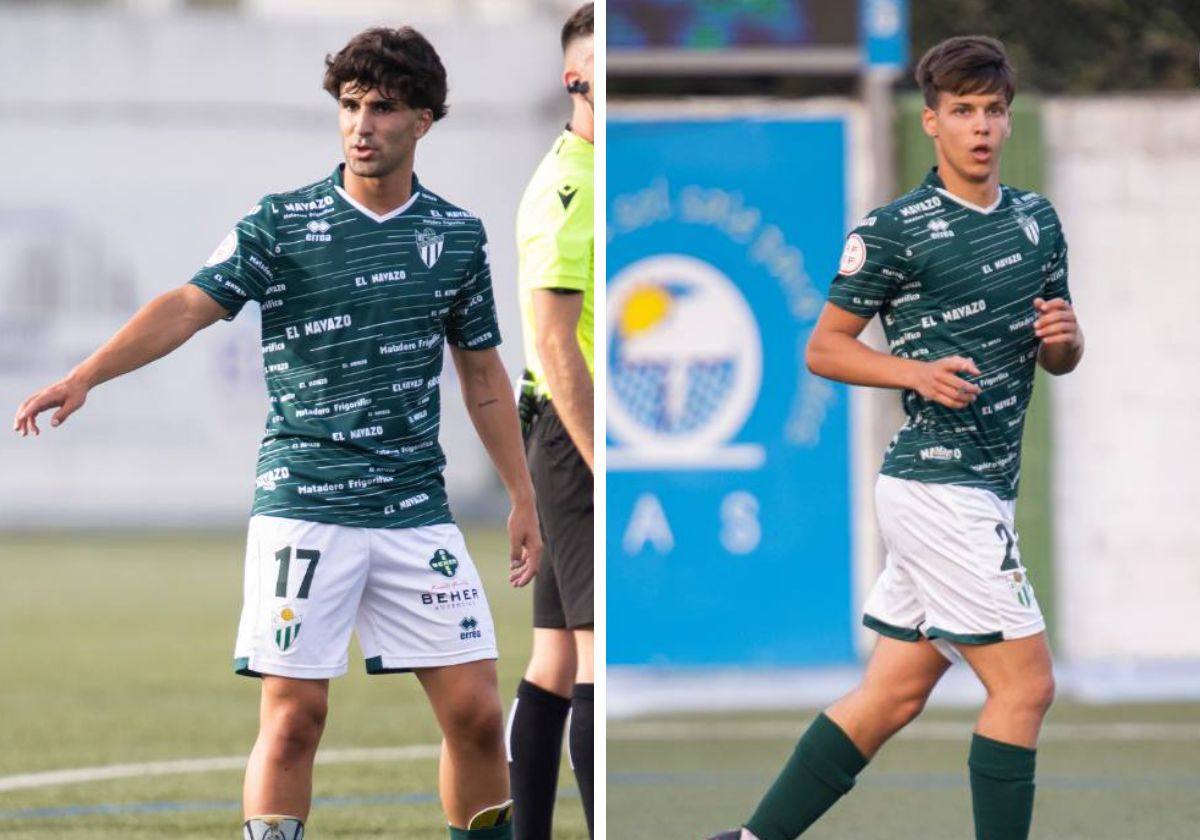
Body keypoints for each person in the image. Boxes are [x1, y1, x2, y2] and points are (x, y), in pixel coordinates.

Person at [13, 26, 541, 840]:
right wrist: (86, 375)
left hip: (413, 509)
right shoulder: (283, 222)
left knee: (475, 713)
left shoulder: (457, 235)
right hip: (305, 501)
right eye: (350, 105)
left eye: (385, 108)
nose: (362, 125)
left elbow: (481, 376)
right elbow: (189, 305)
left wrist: (520, 493)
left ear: (424, 122)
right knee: (295, 718)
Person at [708, 36, 1084, 840]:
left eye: (992, 111)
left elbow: (1060, 354)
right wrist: (913, 372)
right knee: (1026, 687)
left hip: (981, 486)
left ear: (1008, 121)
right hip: (936, 487)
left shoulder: (1037, 221)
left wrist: (1065, 336)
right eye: (962, 112)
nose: (980, 127)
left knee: (895, 693)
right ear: (934, 122)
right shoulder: (894, 232)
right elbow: (824, 347)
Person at [505, 4, 595, 839]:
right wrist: (601, 455)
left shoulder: (605, 170)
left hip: (567, 433)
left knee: (559, 659)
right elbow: (552, 339)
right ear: (577, 78)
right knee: (598, 660)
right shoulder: (571, 185)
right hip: (575, 436)